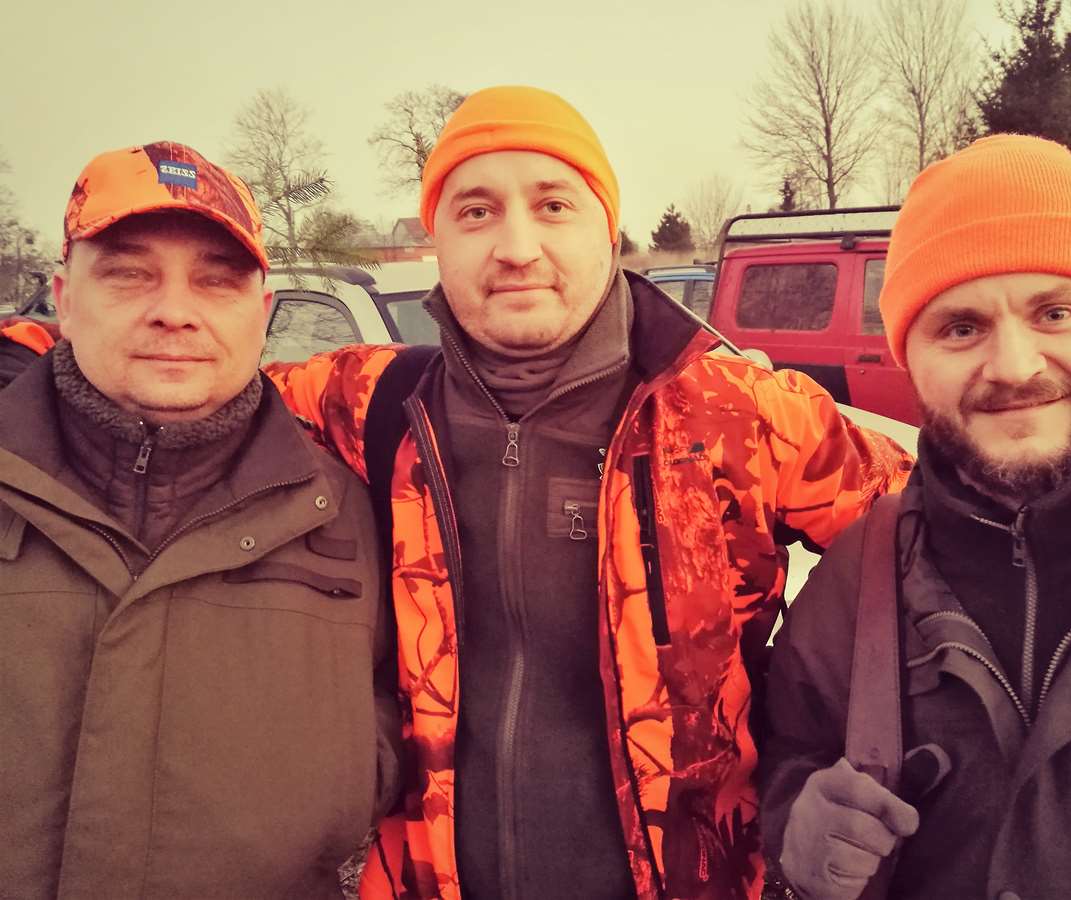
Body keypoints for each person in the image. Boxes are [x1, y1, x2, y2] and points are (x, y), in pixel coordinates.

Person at [255, 86, 911, 900]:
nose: (516, 247)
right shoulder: (373, 403)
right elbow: (197, 391)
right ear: (438, 242)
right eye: (476, 212)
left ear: (607, 228)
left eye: (553, 205)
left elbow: (931, 532)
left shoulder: (738, 413)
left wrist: (803, 744)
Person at [760, 134, 1071, 900]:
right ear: (911, 357)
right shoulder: (860, 576)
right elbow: (785, 752)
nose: (1014, 367)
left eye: (1057, 312)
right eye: (961, 328)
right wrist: (798, 824)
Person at [0, 141, 400, 898]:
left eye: (216, 280)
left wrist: (344, 781)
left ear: (263, 314)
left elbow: (399, 701)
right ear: (64, 298)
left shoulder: (347, 510)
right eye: (129, 274)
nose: (176, 312)